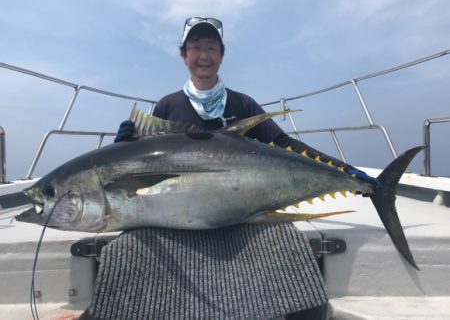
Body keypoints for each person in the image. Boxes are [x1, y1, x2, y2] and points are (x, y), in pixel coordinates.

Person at [81, 17, 372, 320]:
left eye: (211, 47)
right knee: (121, 252)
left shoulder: (242, 104)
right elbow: (144, 164)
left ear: (221, 55)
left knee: (290, 242)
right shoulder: (168, 105)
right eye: (195, 47)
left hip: (241, 216)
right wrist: (123, 148)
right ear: (184, 55)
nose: (203, 55)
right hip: (179, 219)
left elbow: (284, 144)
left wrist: (343, 171)